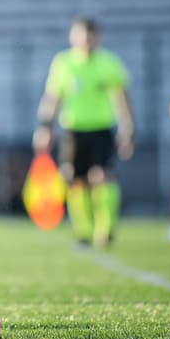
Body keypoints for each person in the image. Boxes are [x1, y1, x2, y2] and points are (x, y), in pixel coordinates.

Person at [33, 17, 135, 248]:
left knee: (102, 176)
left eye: (91, 35)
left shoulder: (109, 62)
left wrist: (128, 129)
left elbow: (122, 99)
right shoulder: (64, 63)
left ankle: (105, 229)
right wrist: (45, 128)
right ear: (73, 37)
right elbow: (53, 98)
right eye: (81, 35)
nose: (86, 40)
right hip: (72, 130)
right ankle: (84, 232)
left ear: (98, 37)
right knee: (74, 180)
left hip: (101, 129)